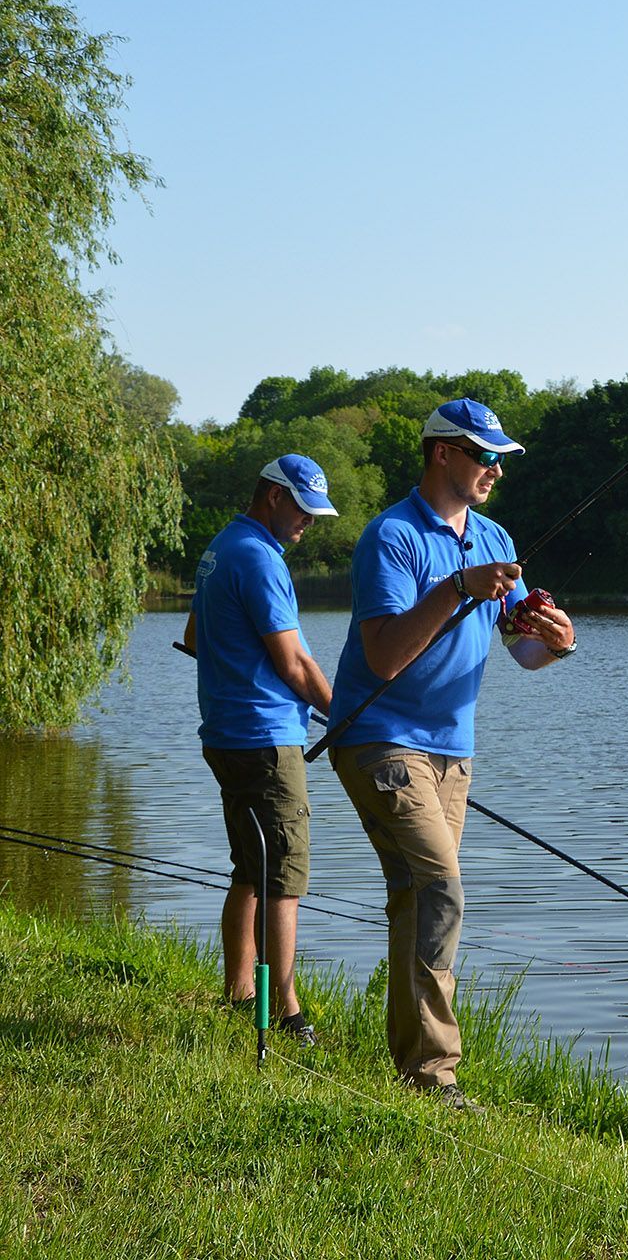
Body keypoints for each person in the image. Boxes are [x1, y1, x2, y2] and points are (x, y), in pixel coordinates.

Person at [328, 397, 575, 1109]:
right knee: (442, 889)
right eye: (484, 455)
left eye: (501, 458)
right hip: (379, 739)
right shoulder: (392, 537)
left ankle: (412, 1068)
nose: (495, 470)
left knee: (417, 900)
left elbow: (522, 650)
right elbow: (383, 658)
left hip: (452, 754)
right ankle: (436, 1075)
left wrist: (556, 641)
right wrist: (456, 588)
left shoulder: (494, 535)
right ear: (443, 452)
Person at [184, 454, 337, 1046]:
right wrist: (345, 717)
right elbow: (295, 662)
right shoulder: (259, 557)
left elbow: (198, 637)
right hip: (267, 741)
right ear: (273, 495)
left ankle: (241, 991)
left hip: (224, 735)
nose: (309, 523)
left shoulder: (221, 547)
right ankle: (286, 1014)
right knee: (285, 876)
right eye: (303, 509)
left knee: (251, 868)